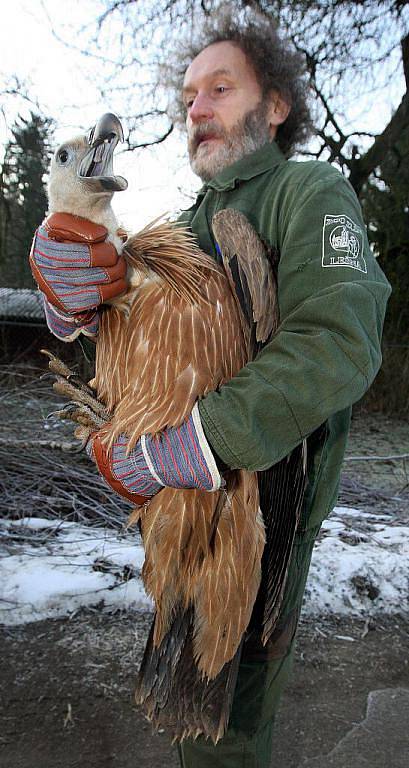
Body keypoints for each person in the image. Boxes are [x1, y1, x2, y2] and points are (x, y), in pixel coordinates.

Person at [30, 12, 391, 768]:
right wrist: (74, 299)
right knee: (188, 708)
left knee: (227, 727)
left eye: (220, 88)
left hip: (260, 515)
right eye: (189, 95)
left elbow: (337, 343)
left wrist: (184, 448)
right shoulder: (180, 229)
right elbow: (137, 354)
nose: (195, 109)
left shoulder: (308, 191)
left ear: (276, 106)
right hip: (178, 514)